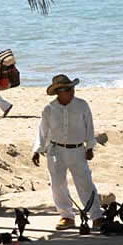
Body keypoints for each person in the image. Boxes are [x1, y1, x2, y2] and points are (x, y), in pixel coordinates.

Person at [32, 74, 103, 230]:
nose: (72, 91)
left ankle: (96, 216)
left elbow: (89, 127)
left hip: (77, 150)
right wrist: (37, 150)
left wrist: (90, 147)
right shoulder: (49, 109)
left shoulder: (82, 105)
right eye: (67, 89)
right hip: (55, 151)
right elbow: (42, 131)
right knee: (58, 185)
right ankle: (66, 216)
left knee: (85, 182)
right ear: (59, 92)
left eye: (72, 88)